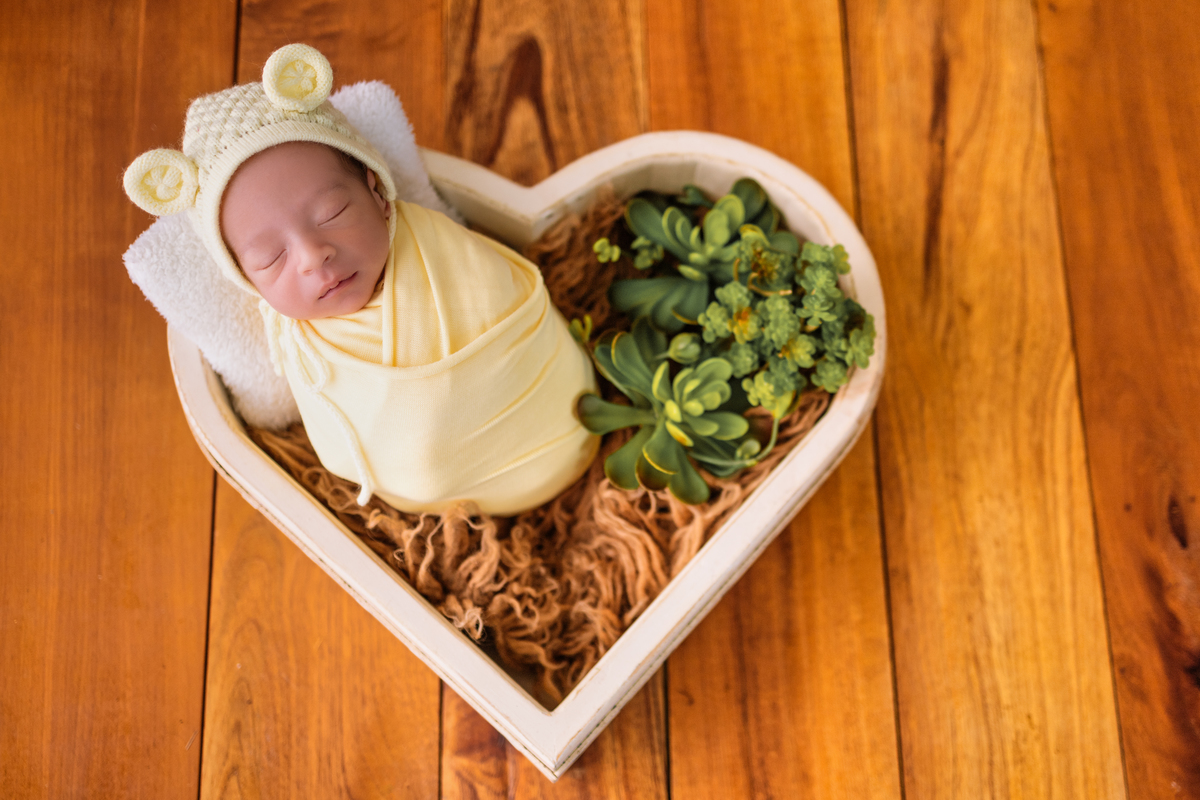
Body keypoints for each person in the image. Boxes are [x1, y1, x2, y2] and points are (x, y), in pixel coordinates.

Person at [124, 43, 597, 515]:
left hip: (573, 418)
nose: (312, 255)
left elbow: (520, 330)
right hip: (454, 505)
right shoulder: (303, 352)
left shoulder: (445, 250)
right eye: (270, 258)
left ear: (378, 193)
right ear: (246, 279)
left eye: (333, 212)